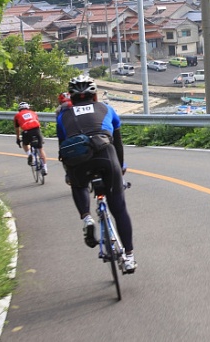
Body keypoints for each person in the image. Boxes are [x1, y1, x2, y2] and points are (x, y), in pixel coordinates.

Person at [56, 75, 136, 273]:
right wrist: (121, 167)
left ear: (72, 98)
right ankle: (129, 257)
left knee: (78, 184)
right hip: (106, 156)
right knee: (119, 208)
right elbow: (117, 143)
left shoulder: (63, 117)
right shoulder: (107, 109)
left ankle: (86, 217)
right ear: (95, 96)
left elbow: (63, 149)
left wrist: (69, 175)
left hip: (77, 160)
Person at [14, 102, 48, 175]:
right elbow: (38, 124)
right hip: (36, 130)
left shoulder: (17, 115)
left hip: (26, 132)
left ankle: (30, 154)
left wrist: (17, 138)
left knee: (25, 144)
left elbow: (17, 129)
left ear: (19, 109)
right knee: (40, 149)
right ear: (28, 107)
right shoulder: (33, 112)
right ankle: (45, 168)